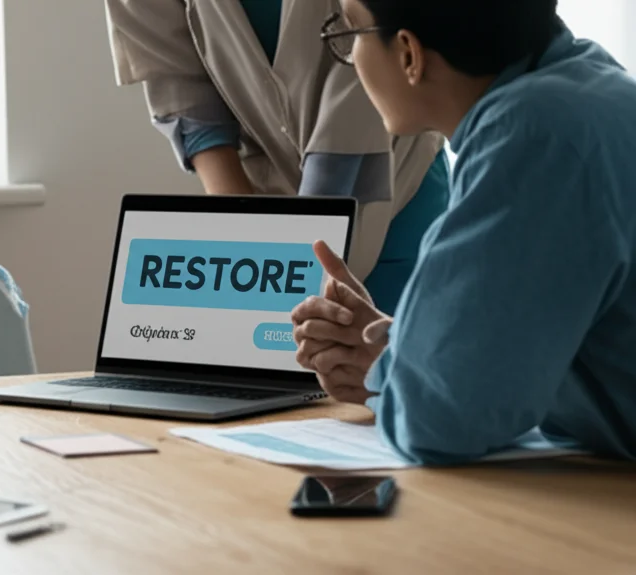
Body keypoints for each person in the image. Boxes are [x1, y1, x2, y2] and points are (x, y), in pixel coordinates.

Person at [291, 0, 636, 463]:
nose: (352, 55)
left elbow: (439, 421)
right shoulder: (583, 90)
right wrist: (401, 353)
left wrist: (402, 372)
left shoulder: (532, 135)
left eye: (351, 31)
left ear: (409, 54)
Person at [104, 0, 451, 315]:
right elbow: (173, 69)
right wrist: (240, 222)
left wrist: (295, 256)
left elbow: (370, 39)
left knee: (398, 351)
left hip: (391, 179)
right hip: (262, 187)